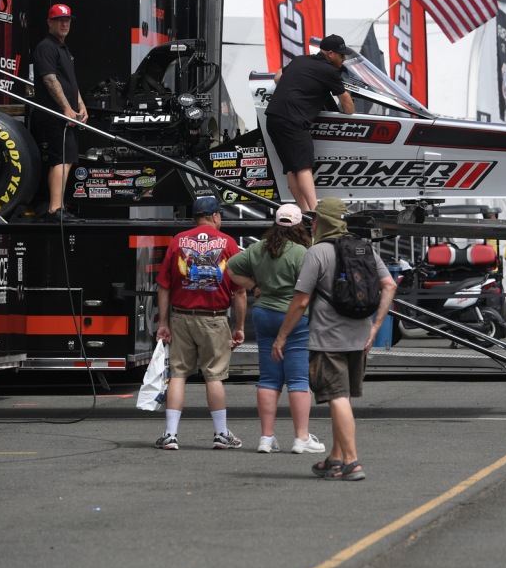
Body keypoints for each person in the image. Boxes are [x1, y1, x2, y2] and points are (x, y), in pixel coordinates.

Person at [270, 197, 395, 481]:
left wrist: (282, 337)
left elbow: (301, 301)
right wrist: (375, 327)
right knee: (345, 399)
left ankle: (352, 462)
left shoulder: (317, 252)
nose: (312, 223)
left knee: (336, 397)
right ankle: (335, 459)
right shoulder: (365, 249)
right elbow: (389, 285)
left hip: (328, 339)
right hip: (360, 337)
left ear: (322, 222)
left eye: (315, 219)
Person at [226, 203, 324, 455]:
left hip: (262, 314)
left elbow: (230, 268)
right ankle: (301, 437)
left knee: (268, 378)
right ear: (299, 225)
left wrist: (254, 285)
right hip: (292, 318)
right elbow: (309, 291)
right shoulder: (302, 252)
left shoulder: (258, 248)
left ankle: (266, 439)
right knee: (298, 379)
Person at [154, 196, 246, 451]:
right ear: (215, 216)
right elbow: (239, 291)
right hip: (215, 319)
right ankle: (220, 434)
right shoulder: (227, 243)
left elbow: (163, 286)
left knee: (178, 374)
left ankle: (171, 435)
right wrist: (239, 326)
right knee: (214, 376)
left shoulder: (178, 241)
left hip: (181, 317)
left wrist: (163, 322)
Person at [264, 34, 356, 211]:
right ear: (330, 54)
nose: (343, 59)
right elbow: (346, 103)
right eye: (341, 55)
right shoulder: (330, 71)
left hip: (273, 118)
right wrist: (350, 115)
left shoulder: (300, 60)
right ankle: (314, 212)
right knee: (304, 167)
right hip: (293, 121)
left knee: (292, 168)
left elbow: (277, 78)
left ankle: (305, 212)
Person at [31, 3, 87, 221]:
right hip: (55, 115)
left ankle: (59, 206)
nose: (64, 24)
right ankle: (55, 209)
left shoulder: (63, 49)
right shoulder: (46, 47)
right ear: (49, 22)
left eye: (68, 20)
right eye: (59, 20)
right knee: (60, 159)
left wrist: (80, 105)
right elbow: (49, 79)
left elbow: (70, 82)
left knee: (67, 159)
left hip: (67, 115)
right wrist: (65, 108)